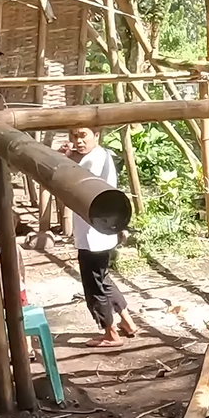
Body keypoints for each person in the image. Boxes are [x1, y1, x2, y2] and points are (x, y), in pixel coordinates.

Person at [60, 127, 137, 347]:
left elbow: (69, 174)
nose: (78, 141)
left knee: (94, 286)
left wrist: (66, 157)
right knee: (102, 278)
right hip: (100, 231)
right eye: (74, 136)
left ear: (97, 135)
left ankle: (110, 333)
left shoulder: (93, 160)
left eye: (83, 135)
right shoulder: (99, 154)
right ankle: (127, 322)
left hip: (93, 235)